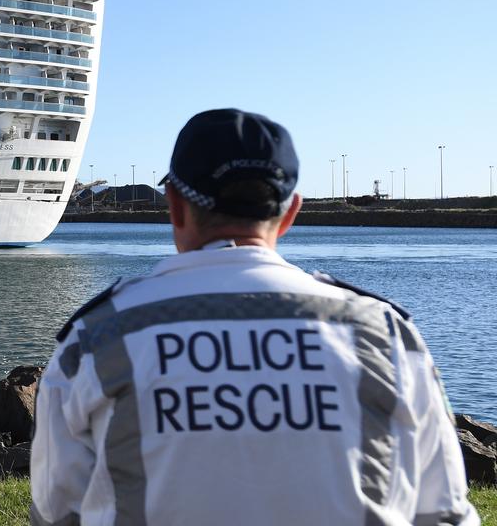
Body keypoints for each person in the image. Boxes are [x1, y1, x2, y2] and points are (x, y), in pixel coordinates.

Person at [30, 108, 476, 526]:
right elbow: (443, 512)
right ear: (290, 214)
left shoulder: (98, 338)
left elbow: (57, 510)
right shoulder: (382, 335)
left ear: (174, 205)